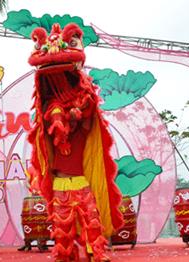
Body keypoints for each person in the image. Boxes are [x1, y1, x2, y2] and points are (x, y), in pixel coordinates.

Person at [27, 23, 123, 261]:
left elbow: (89, 110)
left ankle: (95, 254)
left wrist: (77, 110)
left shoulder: (84, 122)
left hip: (81, 182)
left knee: (92, 223)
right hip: (60, 183)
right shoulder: (51, 116)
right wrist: (60, 117)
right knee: (62, 234)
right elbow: (48, 112)